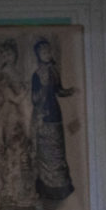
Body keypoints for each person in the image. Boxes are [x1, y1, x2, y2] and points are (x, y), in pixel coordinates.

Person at [0, 38, 37, 208]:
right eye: (4, 54)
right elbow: (10, 97)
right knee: (14, 150)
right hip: (11, 113)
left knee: (21, 152)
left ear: (15, 54)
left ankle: (21, 191)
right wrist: (23, 94)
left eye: (10, 53)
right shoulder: (5, 71)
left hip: (20, 112)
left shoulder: (17, 71)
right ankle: (13, 192)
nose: (7, 56)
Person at [31, 38, 76, 201]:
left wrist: (71, 91)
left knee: (58, 152)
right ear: (38, 55)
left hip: (55, 114)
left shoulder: (54, 71)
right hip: (43, 117)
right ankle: (46, 189)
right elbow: (34, 99)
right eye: (44, 52)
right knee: (45, 153)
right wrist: (42, 88)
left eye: (49, 51)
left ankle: (61, 188)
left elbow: (59, 91)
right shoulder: (36, 75)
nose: (47, 54)